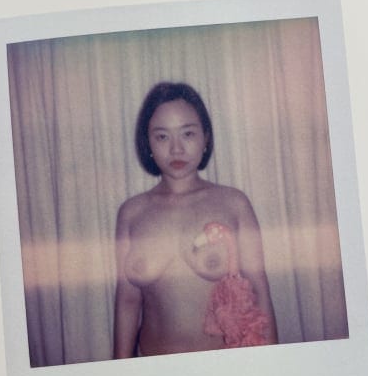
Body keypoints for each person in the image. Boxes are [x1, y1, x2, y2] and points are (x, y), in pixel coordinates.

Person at [113, 82, 277, 358]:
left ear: (206, 138)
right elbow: (127, 301)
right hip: (155, 368)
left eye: (187, 133)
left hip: (225, 365)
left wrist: (272, 363)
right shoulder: (131, 212)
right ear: (147, 143)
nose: (176, 149)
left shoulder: (234, 203)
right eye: (162, 137)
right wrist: (120, 369)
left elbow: (259, 291)